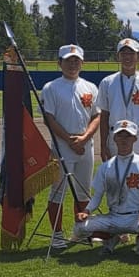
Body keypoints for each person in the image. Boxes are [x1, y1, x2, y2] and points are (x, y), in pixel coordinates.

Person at [41, 44, 101, 249]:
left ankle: (81, 230)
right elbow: (49, 118)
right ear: (59, 63)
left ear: (82, 63)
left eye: (76, 60)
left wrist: (84, 138)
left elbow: (96, 115)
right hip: (62, 147)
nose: (72, 64)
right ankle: (57, 234)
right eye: (68, 60)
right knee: (58, 191)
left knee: (84, 191)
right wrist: (69, 139)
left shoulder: (91, 87)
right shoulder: (51, 87)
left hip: (86, 146)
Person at [73, 120, 139, 257]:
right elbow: (97, 196)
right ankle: (111, 238)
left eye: (128, 136)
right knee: (79, 228)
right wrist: (86, 211)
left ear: (135, 139)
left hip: (135, 217)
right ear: (114, 138)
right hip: (113, 216)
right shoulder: (106, 167)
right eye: (120, 136)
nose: (124, 140)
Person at [96, 38, 139, 163]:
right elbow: (104, 116)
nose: (127, 57)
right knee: (116, 176)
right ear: (118, 56)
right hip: (116, 136)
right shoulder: (107, 82)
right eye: (123, 53)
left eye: (131, 53)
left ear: (138, 56)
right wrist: (103, 145)